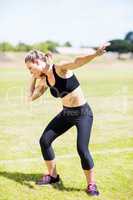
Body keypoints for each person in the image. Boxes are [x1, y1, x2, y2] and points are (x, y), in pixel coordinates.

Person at [25, 43, 110, 196]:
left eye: (30, 68)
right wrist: (33, 77)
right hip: (67, 113)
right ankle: (53, 176)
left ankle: (91, 184)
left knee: (82, 149)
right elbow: (31, 97)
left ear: (38, 62)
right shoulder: (45, 80)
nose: (30, 71)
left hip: (83, 113)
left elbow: (77, 62)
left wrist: (95, 54)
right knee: (44, 140)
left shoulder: (59, 68)